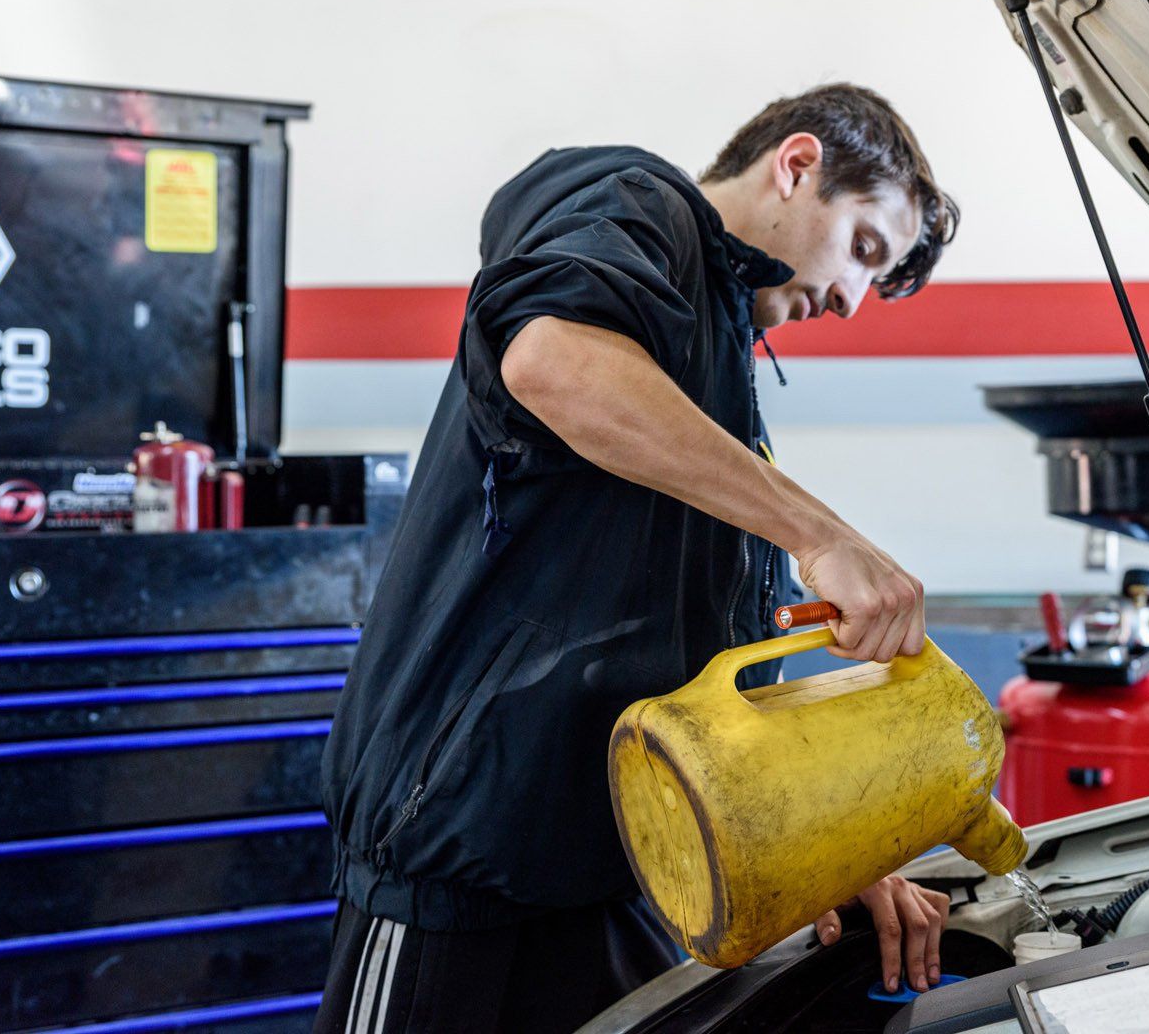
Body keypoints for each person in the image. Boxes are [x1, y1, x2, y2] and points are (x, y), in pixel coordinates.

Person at [315, 83, 962, 1033]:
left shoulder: (717, 381)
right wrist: (822, 534)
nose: (852, 301)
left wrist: (825, 842)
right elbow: (551, 362)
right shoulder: (631, 201)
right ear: (797, 165)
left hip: (620, 866)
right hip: (462, 858)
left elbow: (707, 666)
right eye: (864, 247)